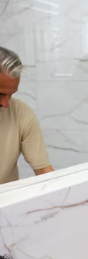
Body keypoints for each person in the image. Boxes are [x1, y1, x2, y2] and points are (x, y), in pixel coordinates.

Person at [0, 46, 53, 185]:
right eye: (0, 94)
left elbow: (44, 172)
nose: (6, 104)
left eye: (11, 95)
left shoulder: (22, 113)